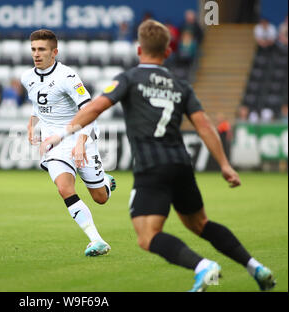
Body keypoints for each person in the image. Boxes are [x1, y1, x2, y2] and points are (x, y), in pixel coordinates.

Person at [41, 20, 276, 292]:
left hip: (152, 168)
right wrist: (225, 165)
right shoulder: (181, 85)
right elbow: (205, 126)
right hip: (181, 164)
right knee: (201, 223)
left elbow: (94, 108)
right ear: (167, 52)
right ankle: (255, 267)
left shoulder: (129, 79)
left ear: (140, 50)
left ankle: (203, 267)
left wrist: (61, 135)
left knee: (147, 235)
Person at [21, 29, 116, 257]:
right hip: (54, 143)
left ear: (54, 52)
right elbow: (39, 104)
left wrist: (82, 141)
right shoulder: (27, 77)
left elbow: (88, 110)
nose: (36, 54)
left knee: (100, 198)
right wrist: (31, 123)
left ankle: (105, 182)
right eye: (33, 49)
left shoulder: (68, 76)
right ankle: (97, 240)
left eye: (42, 49)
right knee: (64, 188)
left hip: (79, 135)